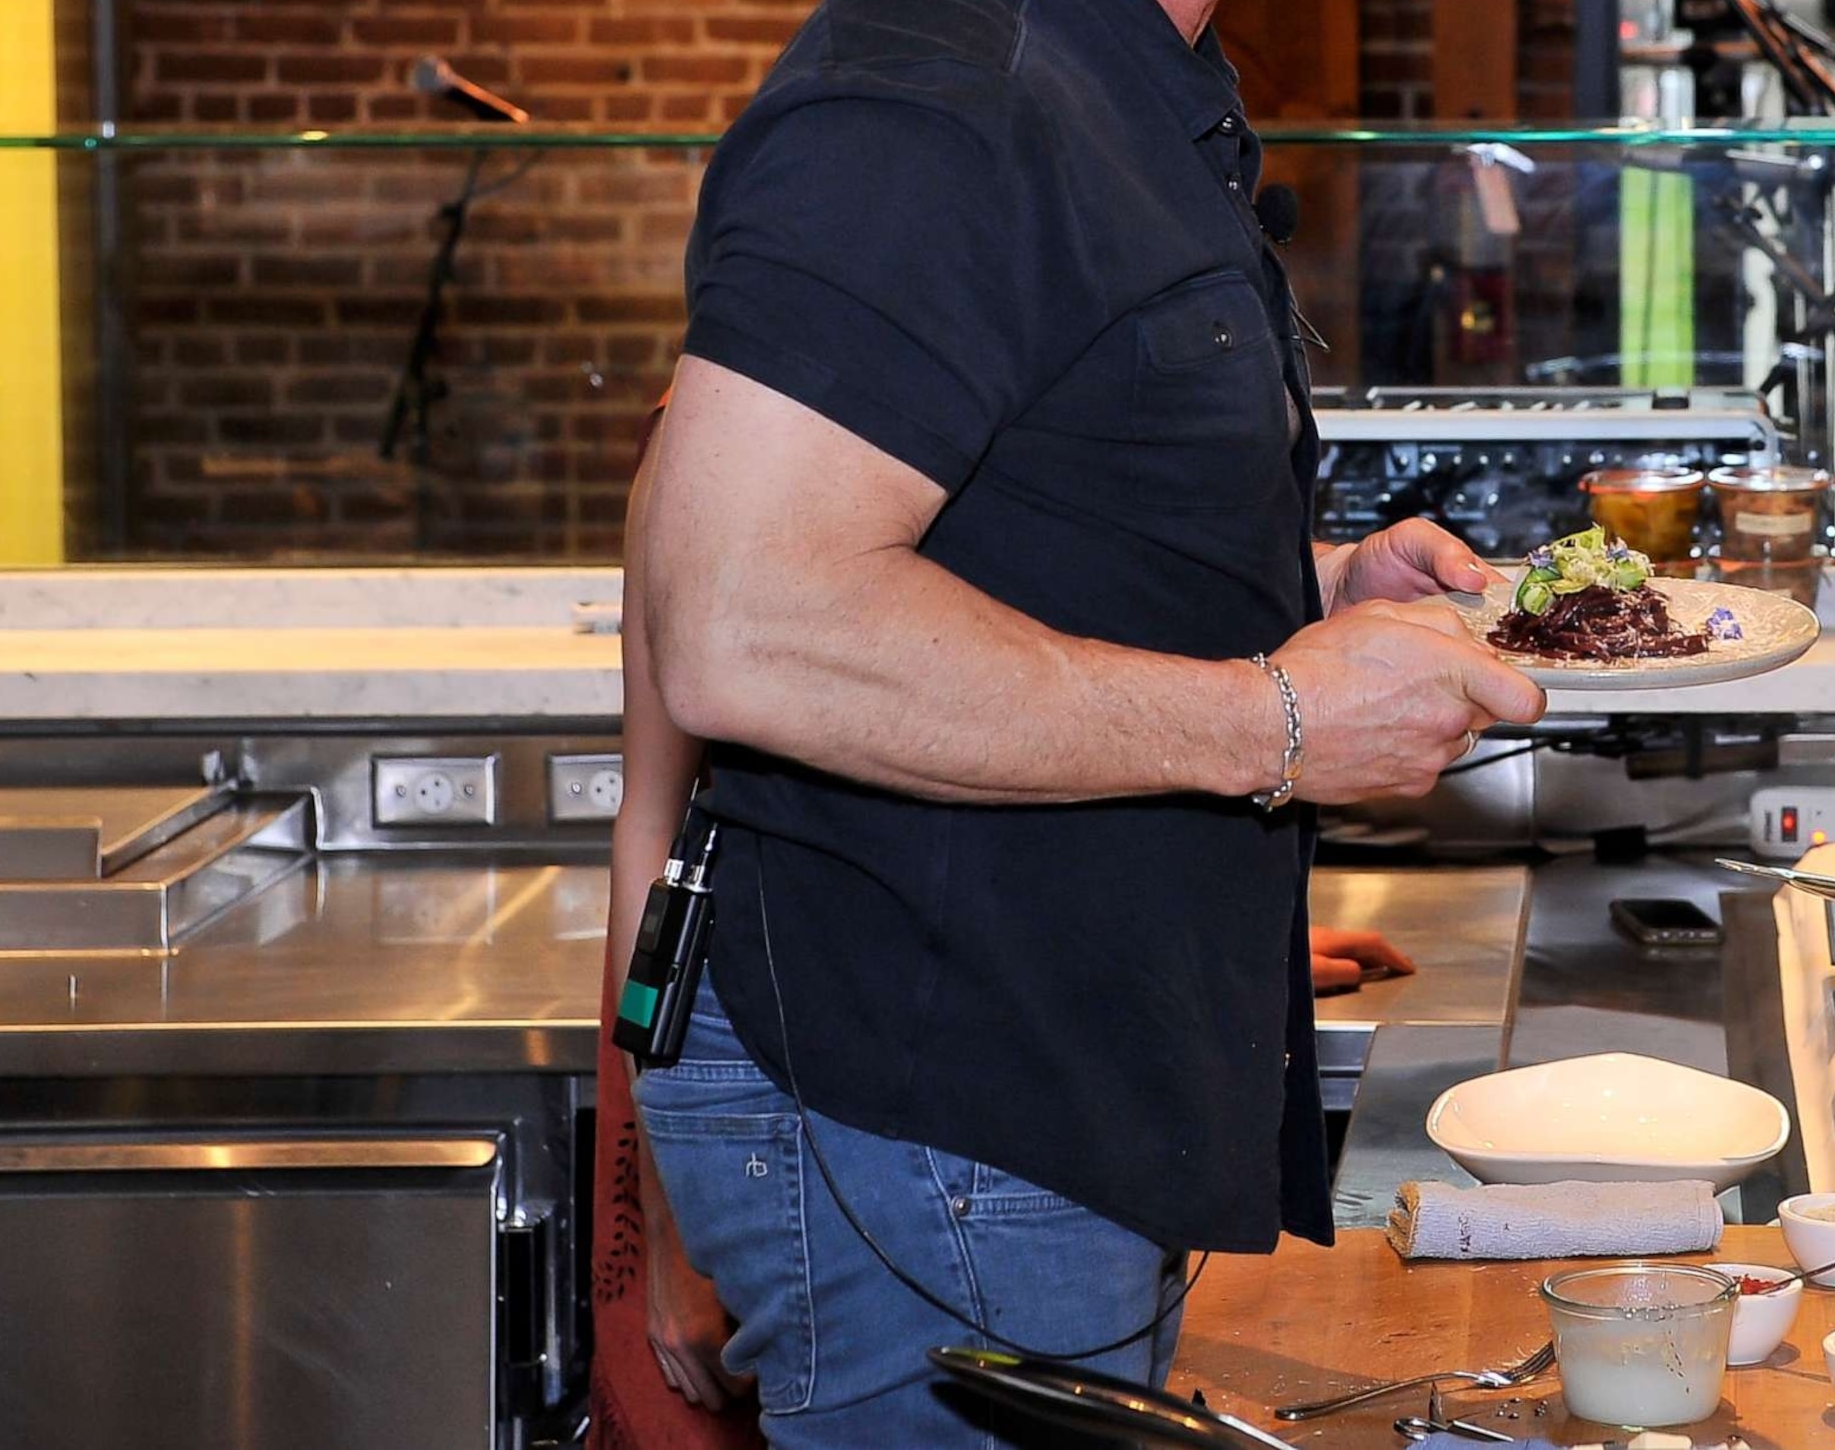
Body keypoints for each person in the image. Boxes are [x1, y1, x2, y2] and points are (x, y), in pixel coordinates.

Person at [629, 0, 1546, 1447]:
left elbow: (891, 524)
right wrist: (1279, 719)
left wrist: (1301, 595)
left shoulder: (1122, 67)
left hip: (1024, 1101)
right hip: (939, 1105)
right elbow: (738, 620)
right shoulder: (942, 100)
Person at [595, 427, 1416, 1445]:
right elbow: (656, 835)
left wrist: (1218, 943)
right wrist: (665, 1223)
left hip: (1069, 1065)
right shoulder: (722, 456)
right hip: (847, 1069)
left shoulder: (982, 413)